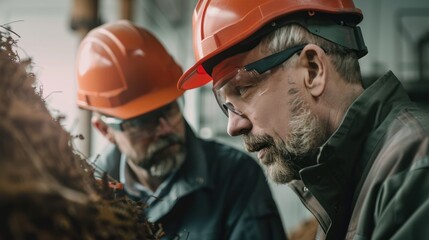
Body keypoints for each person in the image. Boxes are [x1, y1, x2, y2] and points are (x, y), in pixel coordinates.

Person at [177, 0, 429, 239]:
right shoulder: (343, 186)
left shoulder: (415, 169)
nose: (233, 126)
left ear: (313, 70)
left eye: (243, 89)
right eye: (227, 105)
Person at [74, 20, 287, 240]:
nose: (165, 128)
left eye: (170, 109)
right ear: (104, 130)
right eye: (144, 121)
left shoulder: (235, 177)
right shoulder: (86, 194)